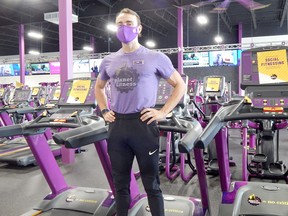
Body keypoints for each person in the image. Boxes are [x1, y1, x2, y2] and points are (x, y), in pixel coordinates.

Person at [95, 8, 186, 216]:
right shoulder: (109, 60)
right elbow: (98, 88)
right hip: (117, 126)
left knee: (151, 183)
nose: (123, 27)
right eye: (119, 24)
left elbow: (179, 85)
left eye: (128, 23)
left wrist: (162, 112)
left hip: (143, 125)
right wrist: (104, 110)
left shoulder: (155, 57)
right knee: (120, 184)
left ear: (139, 28)